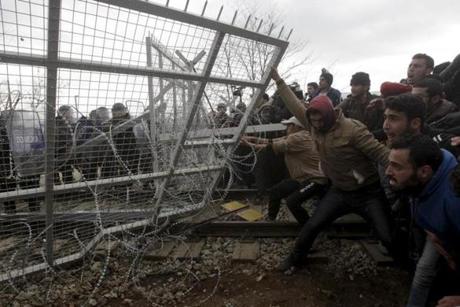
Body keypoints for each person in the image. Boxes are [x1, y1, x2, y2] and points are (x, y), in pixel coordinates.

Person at [270, 67, 393, 272]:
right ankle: (294, 259)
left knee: (388, 236)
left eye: (321, 120)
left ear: (329, 115)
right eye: (313, 121)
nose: (317, 124)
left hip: (368, 192)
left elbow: (380, 153)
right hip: (340, 191)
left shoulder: (352, 130)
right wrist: (278, 80)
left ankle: (410, 266)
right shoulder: (312, 124)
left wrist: (399, 172)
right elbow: (294, 105)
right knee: (312, 226)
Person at [385, 134, 460, 307]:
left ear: (424, 171)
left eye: (396, 166)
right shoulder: (430, 171)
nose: (388, 171)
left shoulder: (454, 201)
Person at [241, 116, 328, 224]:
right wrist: (252, 139)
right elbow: (271, 141)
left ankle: (309, 227)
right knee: (275, 191)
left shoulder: (296, 138)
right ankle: (271, 220)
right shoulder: (301, 135)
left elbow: (269, 147)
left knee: (292, 202)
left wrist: (249, 144)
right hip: (302, 179)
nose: (286, 128)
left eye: (288, 126)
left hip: (315, 180)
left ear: (296, 126)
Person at [55, 105, 76, 184]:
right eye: (70, 113)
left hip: (66, 153)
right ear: (64, 113)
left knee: (67, 173)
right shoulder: (57, 124)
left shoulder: (69, 124)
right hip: (59, 153)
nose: (71, 115)